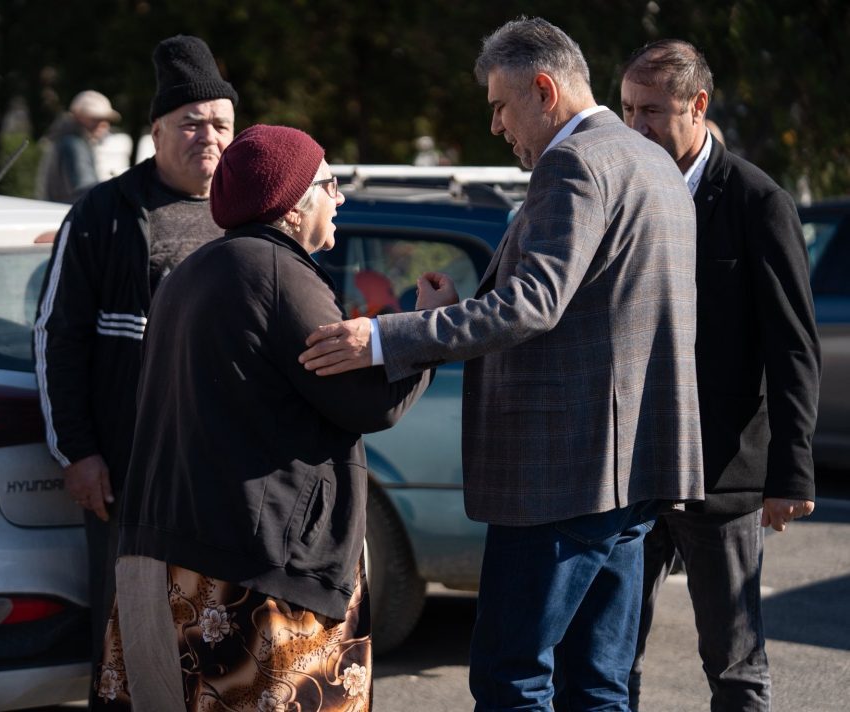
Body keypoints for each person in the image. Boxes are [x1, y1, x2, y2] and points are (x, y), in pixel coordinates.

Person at [298, 17, 705, 710]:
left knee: (510, 676)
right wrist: (454, 310)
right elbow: (589, 308)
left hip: (563, 474)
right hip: (633, 469)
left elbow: (532, 304)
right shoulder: (652, 160)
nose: (495, 125)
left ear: (544, 90)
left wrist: (386, 337)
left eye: (499, 106)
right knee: (599, 684)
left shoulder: (575, 164)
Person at [107, 125, 431, 711]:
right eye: (330, 183)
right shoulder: (276, 272)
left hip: (169, 555)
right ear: (292, 204)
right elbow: (368, 400)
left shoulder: (191, 273)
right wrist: (427, 332)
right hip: (250, 574)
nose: (340, 197)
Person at [32, 35, 238, 710]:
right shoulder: (103, 214)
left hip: (224, 477)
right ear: (156, 132)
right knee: (128, 641)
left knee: (216, 643)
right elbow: (57, 337)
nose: (209, 137)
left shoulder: (247, 215)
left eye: (221, 124)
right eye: (192, 123)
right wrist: (78, 451)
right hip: (129, 476)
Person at [620, 39, 821, 711]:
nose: (636, 126)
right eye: (627, 109)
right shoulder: (622, 192)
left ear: (697, 105)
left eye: (652, 110)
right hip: (629, 472)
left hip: (721, 473)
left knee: (734, 665)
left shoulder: (759, 202)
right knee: (609, 658)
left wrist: (790, 474)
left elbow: (793, 347)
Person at [36, 90, 121, 203]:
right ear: (78, 117)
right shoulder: (73, 144)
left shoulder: (66, 139)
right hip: (65, 210)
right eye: (95, 119)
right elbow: (86, 190)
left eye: (106, 120)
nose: (103, 125)